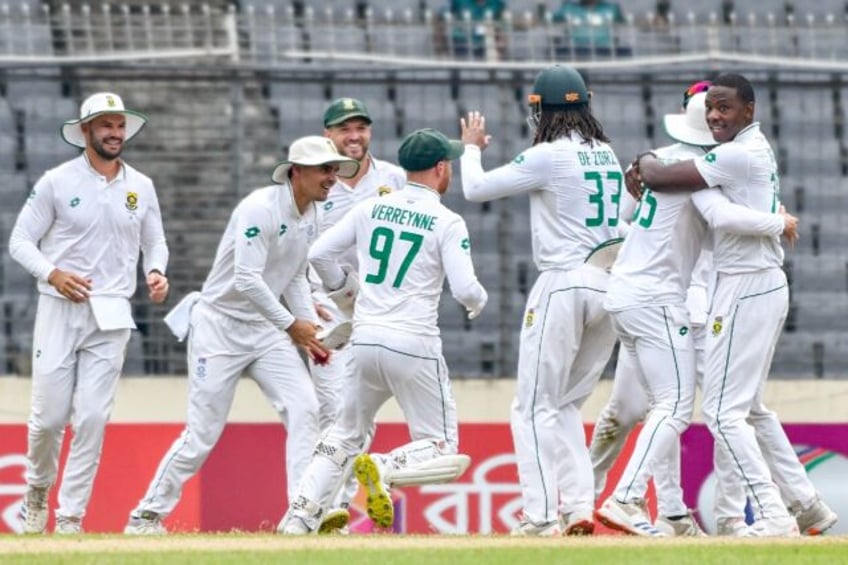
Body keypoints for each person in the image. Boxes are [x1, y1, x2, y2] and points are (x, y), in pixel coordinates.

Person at [627, 73, 832, 537]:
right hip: (754, 284)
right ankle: (807, 504)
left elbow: (663, 179)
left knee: (721, 412)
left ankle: (776, 517)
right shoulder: (745, 150)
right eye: (712, 109)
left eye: (726, 107)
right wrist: (774, 221)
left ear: (749, 111)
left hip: (746, 287)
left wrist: (645, 161)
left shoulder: (734, 154)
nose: (718, 115)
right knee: (752, 408)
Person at [123, 136, 357, 535]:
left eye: (335, 170)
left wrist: (307, 327)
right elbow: (246, 280)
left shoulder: (312, 214)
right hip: (219, 328)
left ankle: (300, 517)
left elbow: (295, 276)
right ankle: (145, 516)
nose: (332, 177)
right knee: (202, 434)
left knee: (306, 410)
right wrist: (293, 325)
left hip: (266, 331)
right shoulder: (259, 209)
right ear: (296, 172)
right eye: (324, 169)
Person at [278, 128, 487, 534]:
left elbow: (318, 253)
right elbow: (464, 289)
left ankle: (298, 518)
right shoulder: (447, 220)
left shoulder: (373, 207)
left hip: (365, 338)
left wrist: (344, 291)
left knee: (343, 433)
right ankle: (383, 465)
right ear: (441, 168)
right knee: (442, 447)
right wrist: (478, 302)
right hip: (414, 342)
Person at [460, 65, 622, 536]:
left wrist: (471, 149)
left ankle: (540, 516)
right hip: (608, 285)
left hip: (564, 283)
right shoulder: (606, 153)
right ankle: (578, 507)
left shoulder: (549, 155)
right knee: (567, 405)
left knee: (531, 407)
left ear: (540, 110)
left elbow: (475, 189)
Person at [8, 92, 169, 535]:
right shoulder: (57, 181)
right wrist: (53, 273)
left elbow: (154, 241)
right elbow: (20, 241)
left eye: (119, 125)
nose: (115, 133)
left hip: (113, 313)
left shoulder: (141, 186)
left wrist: (156, 271)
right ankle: (38, 489)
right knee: (48, 420)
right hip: (61, 308)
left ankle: (71, 517)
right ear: (85, 131)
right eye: (105, 125)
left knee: (94, 418)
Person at [310, 97, 406, 533]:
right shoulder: (316, 182)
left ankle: (331, 507)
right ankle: (333, 504)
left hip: (378, 307)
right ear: (327, 135)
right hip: (328, 309)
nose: (354, 137)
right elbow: (297, 247)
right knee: (336, 409)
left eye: (360, 128)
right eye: (344, 129)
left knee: (357, 414)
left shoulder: (394, 178)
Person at [552, 0, 630, 58]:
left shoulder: (612, 8)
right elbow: (549, 21)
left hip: (606, 51)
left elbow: (624, 23)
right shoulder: (567, 7)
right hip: (574, 52)